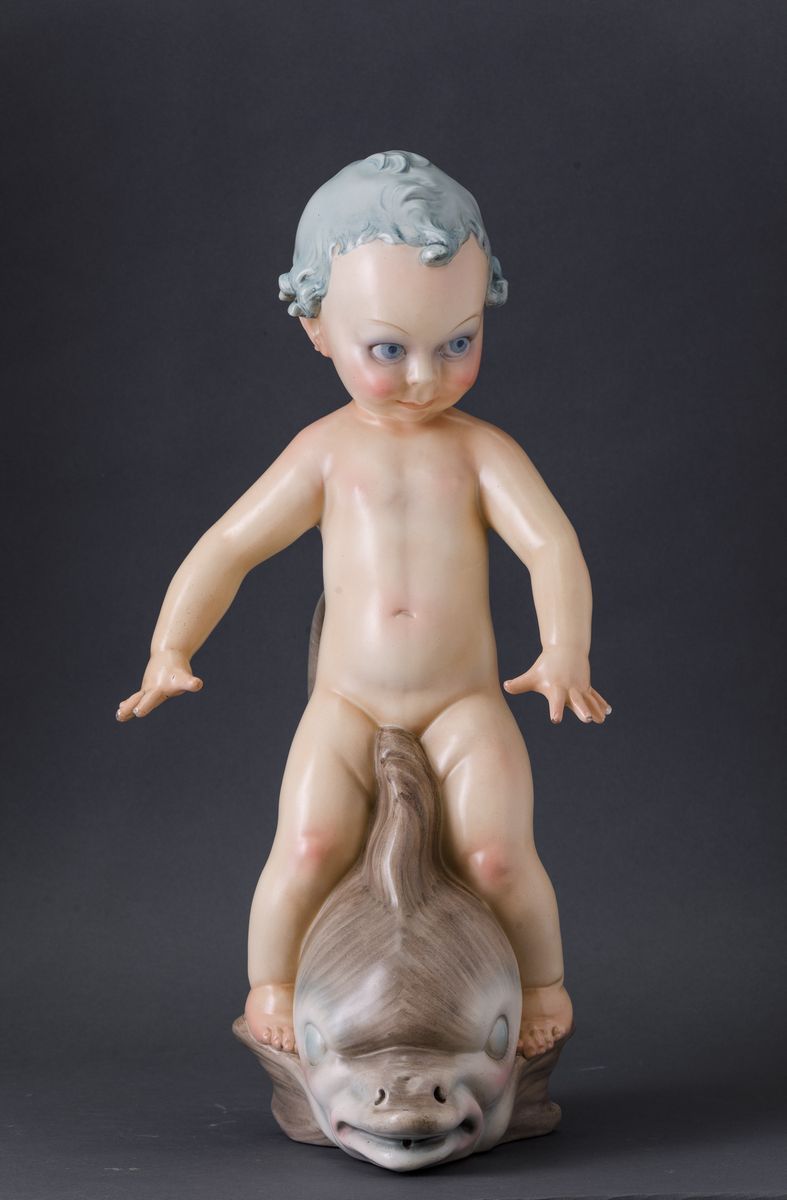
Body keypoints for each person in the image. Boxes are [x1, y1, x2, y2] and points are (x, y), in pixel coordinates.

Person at [117, 151, 611, 1059]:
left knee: (499, 854)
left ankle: (541, 981)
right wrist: (170, 647)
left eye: (457, 342)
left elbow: (551, 545)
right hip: (346, 702)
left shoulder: (482, 452)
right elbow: (228, 546)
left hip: (463, 701)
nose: (425, 375)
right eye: (388, 349)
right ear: (316, 327)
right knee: (308, 845)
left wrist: (563, 649)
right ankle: (272, 978)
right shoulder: (323, 452)